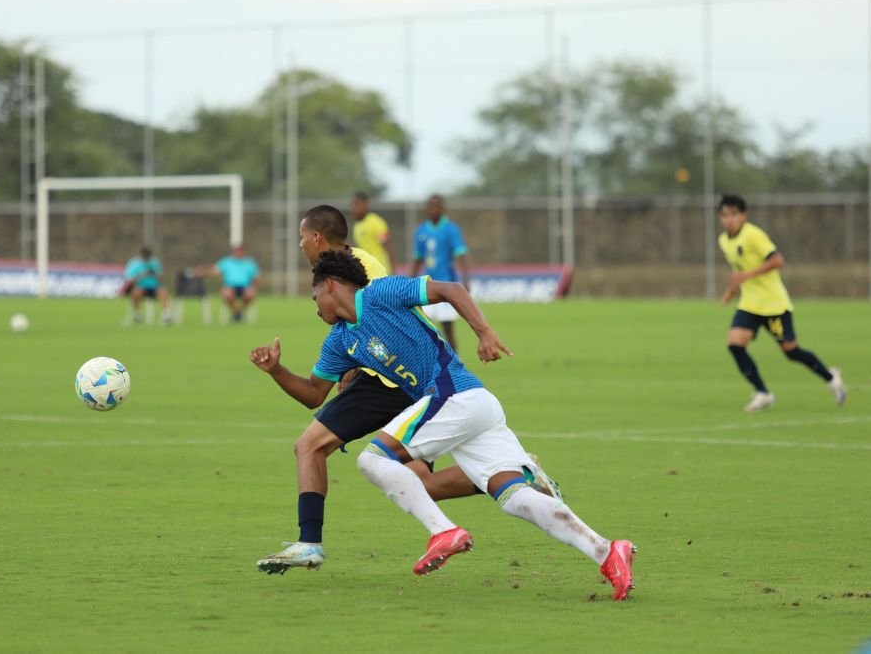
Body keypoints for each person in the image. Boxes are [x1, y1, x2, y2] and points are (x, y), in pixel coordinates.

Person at [249, 251, 636, 601]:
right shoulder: (339, 341)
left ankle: (443, 532)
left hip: (454, 396)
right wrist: (276, 370)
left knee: (372, 460)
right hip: (474, 406)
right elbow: (315, 394)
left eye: (314, 297)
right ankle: (606, 550)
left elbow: (451, 288)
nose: (314, 307)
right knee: (514, 497)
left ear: (330, 285)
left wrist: (484, 331)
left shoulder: (382, 293)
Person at [253, 205, 540, 576]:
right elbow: (321, 379)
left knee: (312, 446)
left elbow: (379, 316)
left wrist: (355, 366)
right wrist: (282, 369)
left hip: (391, 383)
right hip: (384, 379)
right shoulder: (334, 286)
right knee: (420, 483)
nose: (300, 244)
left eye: (301, 237)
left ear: (317, 238)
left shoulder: (364, 266)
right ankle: (514, 475)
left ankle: (310, 543)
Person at [718, 194, 847, 412]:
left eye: (733, 214)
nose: (729, 219)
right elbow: (739, 270)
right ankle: (763, 393)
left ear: (744, 215)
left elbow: (777, 260)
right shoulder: (724, 241)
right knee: (735, 344)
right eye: (724, 215)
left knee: (790, 350)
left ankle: (831, 377)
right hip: (750, 305)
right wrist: (732, 290)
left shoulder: (754, 235)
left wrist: (747, 276)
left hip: (773, 306)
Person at [409, 194, 469, 352]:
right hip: (427, 286)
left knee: (448, 330)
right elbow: (418, 258)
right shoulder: (421, 230)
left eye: (436, 206)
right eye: (430, 206)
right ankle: (427, 367)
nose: (433, 209)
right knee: (423, 330)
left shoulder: (451, 229)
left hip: (447, 284)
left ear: (443, 209)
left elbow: (461, 255)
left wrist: (465, 279)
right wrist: (408, 282)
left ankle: (455, 367)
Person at [204, 245, 259, 323]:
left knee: (250, 294)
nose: (239, 253)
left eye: (241, 251)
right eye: (237, 251)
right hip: (230, 286)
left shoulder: (250, 263)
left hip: (246, 287)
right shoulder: (226, 261)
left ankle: (240, 311)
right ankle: (236, 311)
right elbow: (215, 271)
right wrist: (204, 271)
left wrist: (254, 287)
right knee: (227, 294)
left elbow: (255, 277)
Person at [124, 246, 172, 325]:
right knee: (136, 293)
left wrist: (154, 274)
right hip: (141, 286)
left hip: (154, 286)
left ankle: (165, 314)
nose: (146, 258)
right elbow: (130, 279)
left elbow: (161, 276)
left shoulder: (155, 262)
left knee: (163, 292)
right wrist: (141, 275)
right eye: (145, 256)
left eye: (148, 256)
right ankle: (137, 314)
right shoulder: (134, 263)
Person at [350, 191, 394, 273]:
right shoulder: (356, 226)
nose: (354, 208)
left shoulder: (376, 222)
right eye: (352, 205)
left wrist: (393, 272)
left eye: (357, 204)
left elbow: (388, 248)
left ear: (365, 204)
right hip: (367, 272)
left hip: (381, 271)